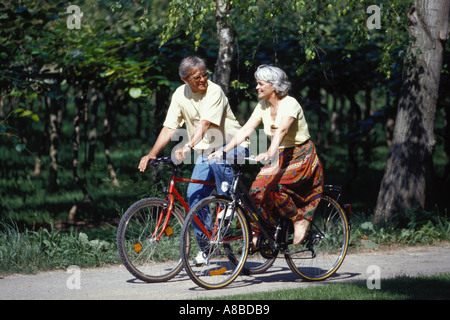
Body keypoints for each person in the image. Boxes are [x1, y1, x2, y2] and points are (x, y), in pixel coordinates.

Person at [138, 56, 247, 264]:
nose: (204, 79)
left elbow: (205, 124)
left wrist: (188, 146)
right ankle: (207, 248)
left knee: (217, 161)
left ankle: (229, 203)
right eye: (198, 77)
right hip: (207, 151)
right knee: (194, 196)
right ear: (184, 79)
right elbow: (169, 127)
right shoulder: (180, 94)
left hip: (234, 145)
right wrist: (152, 153)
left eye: (205, 74)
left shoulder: (214, 91)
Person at [209, 64, 323, 248]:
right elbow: (246, 130)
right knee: (257, 190)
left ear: (273, 85)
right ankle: (257, 233)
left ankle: (299, 219)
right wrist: (224, 150)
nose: (257, 87)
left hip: (300, 154)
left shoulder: (290, 103)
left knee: (277, 189)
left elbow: (283, 129)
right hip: (280, 153)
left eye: (260, 83)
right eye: (257, 83)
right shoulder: (262, 106)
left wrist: (270, 151)